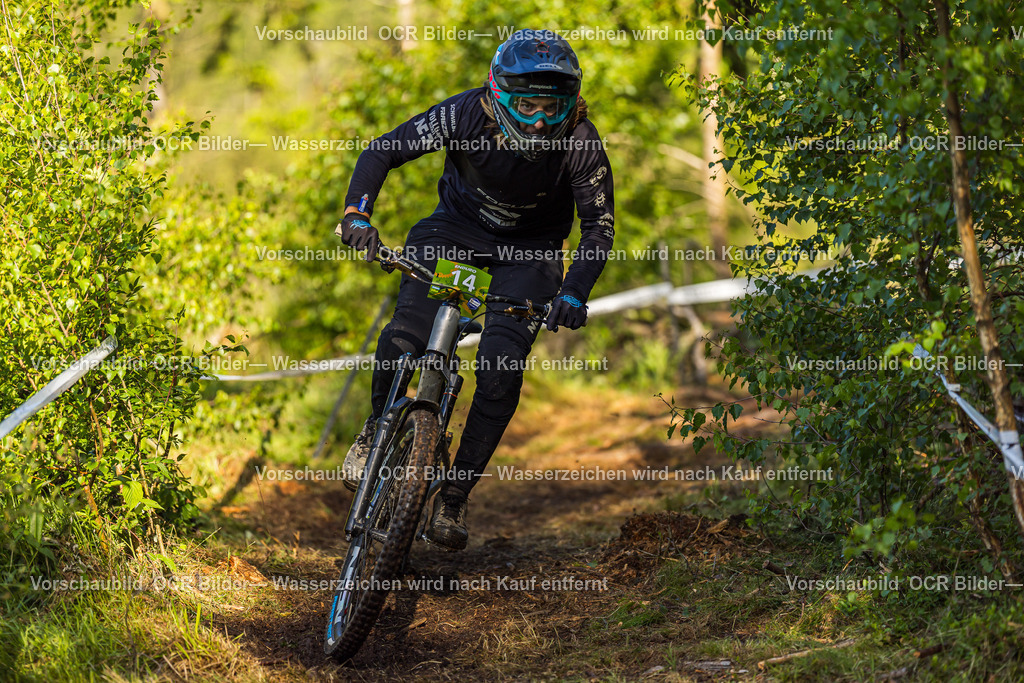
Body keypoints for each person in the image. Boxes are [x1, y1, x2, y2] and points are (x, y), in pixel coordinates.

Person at [335, 28, 614, 551]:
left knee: (500, 371)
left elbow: (599, 228)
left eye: (552, 108)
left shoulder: (580, 144)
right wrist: (357, 215)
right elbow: (384, 151)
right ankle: (376, 428)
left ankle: (454, 496)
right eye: (526, 104)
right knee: (405, 337)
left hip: (529, 254)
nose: (538, 120)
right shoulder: (466, 114)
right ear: (497, 93)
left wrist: (574, 291)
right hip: (453, 237)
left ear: (572, 106)